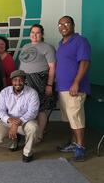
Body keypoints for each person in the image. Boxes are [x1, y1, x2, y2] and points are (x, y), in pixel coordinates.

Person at [56, 16, 91, 162]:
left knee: (76, 118)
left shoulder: (80, 41)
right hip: (63, 88)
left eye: (66, 23)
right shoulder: (62, 43)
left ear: (73, 25)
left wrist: (76, 83)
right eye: (60, 24)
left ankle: (81, 148)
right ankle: (74, 143)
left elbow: (84, 63)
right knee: (70, 119)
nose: (63, 26)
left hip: (74, 88)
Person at [0, 70, 39, 162]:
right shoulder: (4, 92)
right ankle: (12, 142)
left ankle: (27, 152)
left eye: (20, 80)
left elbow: (33, 112)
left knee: (33, 127)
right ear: (11, 81)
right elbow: (0, 110)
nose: (18, 83)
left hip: (25, 122)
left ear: (25, 81)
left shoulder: (32, 93)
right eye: (15, 80)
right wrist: (10, 120)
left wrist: (17, 123)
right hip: (7, 121)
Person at [18, 24, 56, 142]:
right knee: (26, 107)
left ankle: (39, 134)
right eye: (32, 32)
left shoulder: (47, 47)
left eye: (37, 33)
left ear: (42, 34)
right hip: (25, 81)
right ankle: (29, 132)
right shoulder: (25, 46)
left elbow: (52, 67)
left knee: (40, 108)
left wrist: (49, 85)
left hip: (40, 80)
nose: (34, 35)